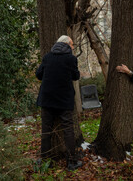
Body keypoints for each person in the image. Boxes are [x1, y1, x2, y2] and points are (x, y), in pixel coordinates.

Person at [36, 35, 82, 171]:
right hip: (64, 99)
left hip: (47, 99)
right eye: (72, 45)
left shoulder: (47, 57)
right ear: (67, 44)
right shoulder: (71, 59)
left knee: (46, 130)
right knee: (68, 130)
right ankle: (71, 162)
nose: (73, 47)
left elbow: (39, 74)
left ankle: (45, 160)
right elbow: (76, 76)